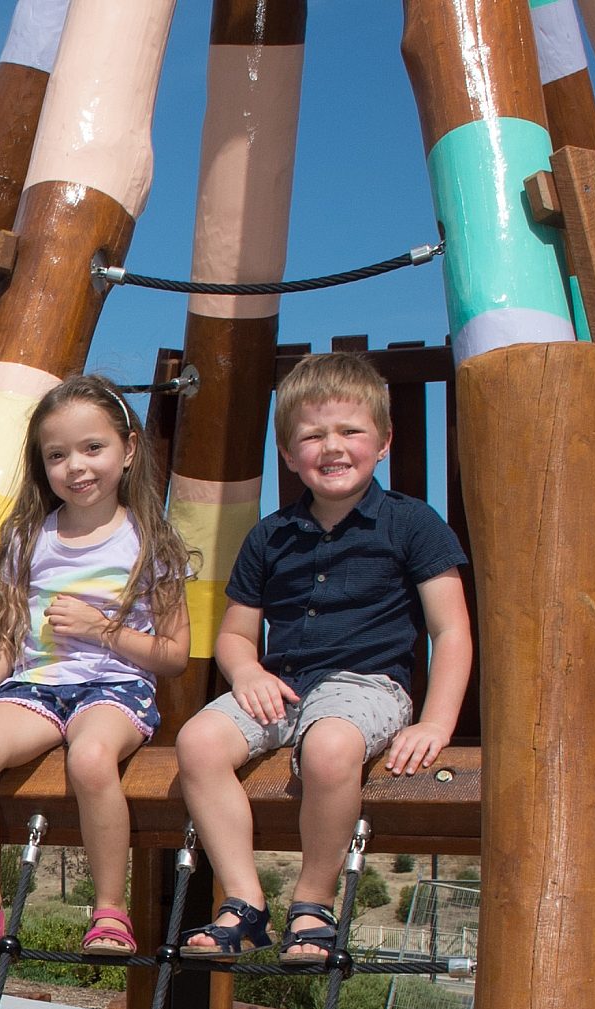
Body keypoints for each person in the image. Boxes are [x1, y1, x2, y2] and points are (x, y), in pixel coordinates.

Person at [176, 351, 472, 961]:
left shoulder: (412, 524)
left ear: (383, 443)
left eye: (350, 431)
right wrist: (247, 670)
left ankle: (313, 902)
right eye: (312, 436)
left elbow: (451, 630)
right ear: (289, 454)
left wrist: (436, 723)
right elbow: (236, 635)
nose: (332, 447)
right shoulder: (270, 536)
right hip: (284, 686)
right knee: (197, 742)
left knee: (330, 748)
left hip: (366, 687)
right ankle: (243, 899)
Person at [0, 375, 192, 954]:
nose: (76, 466)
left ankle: (110, 910)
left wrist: (103, 630)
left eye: (92, 447)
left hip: (115, 687)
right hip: (37, 687)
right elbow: (12, 633)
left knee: (91, 758)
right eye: (57, 455)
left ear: (128, 449)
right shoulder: (30, 538)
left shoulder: (149, 540)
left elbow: (174, 655)